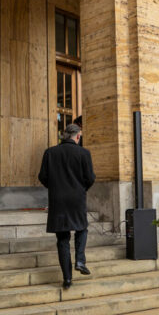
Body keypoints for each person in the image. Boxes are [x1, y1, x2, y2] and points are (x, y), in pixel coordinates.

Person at [38, 124, 96, 289]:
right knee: (82, 228)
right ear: (77, 136)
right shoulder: (84, 153)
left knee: (62, 239)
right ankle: (80, 260)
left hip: (58, 199)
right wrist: (81, 188)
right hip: (77, 198)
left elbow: (42, 176)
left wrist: (55, 187)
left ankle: (67, 279)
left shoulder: (50, 152)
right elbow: (90, 178)